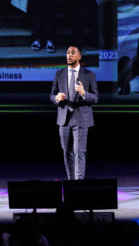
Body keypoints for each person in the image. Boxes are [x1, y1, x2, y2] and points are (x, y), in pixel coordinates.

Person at [50, 46, 98, 180]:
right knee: (67, 152)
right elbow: (52, 95)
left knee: (79, 152)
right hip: (64, 118)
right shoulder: (59, 74)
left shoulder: (89, 75)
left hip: (81, 117)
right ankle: (71, 184)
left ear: (79, 56)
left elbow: (95, 98)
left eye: (73, 53)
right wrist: (56, 98)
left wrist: (84, 93)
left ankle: (79, 185)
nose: (69, 55)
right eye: (67, 53)